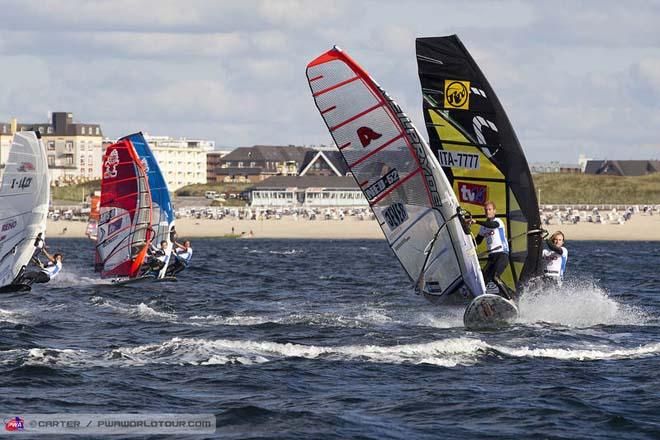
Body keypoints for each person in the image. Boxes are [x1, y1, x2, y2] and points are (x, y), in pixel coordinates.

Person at [469, 201, 515, 300]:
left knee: (495, 277)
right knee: (482, 280)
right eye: (486, 210)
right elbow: (478, 241)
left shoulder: (498, 221)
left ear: (494, 211)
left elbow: (492, 225)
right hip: (492, 257)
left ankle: (510, 299)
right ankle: (483, 301)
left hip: (502, 254)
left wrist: (476, 221)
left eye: (490, 209)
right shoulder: (483, 227)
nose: (487, 211)